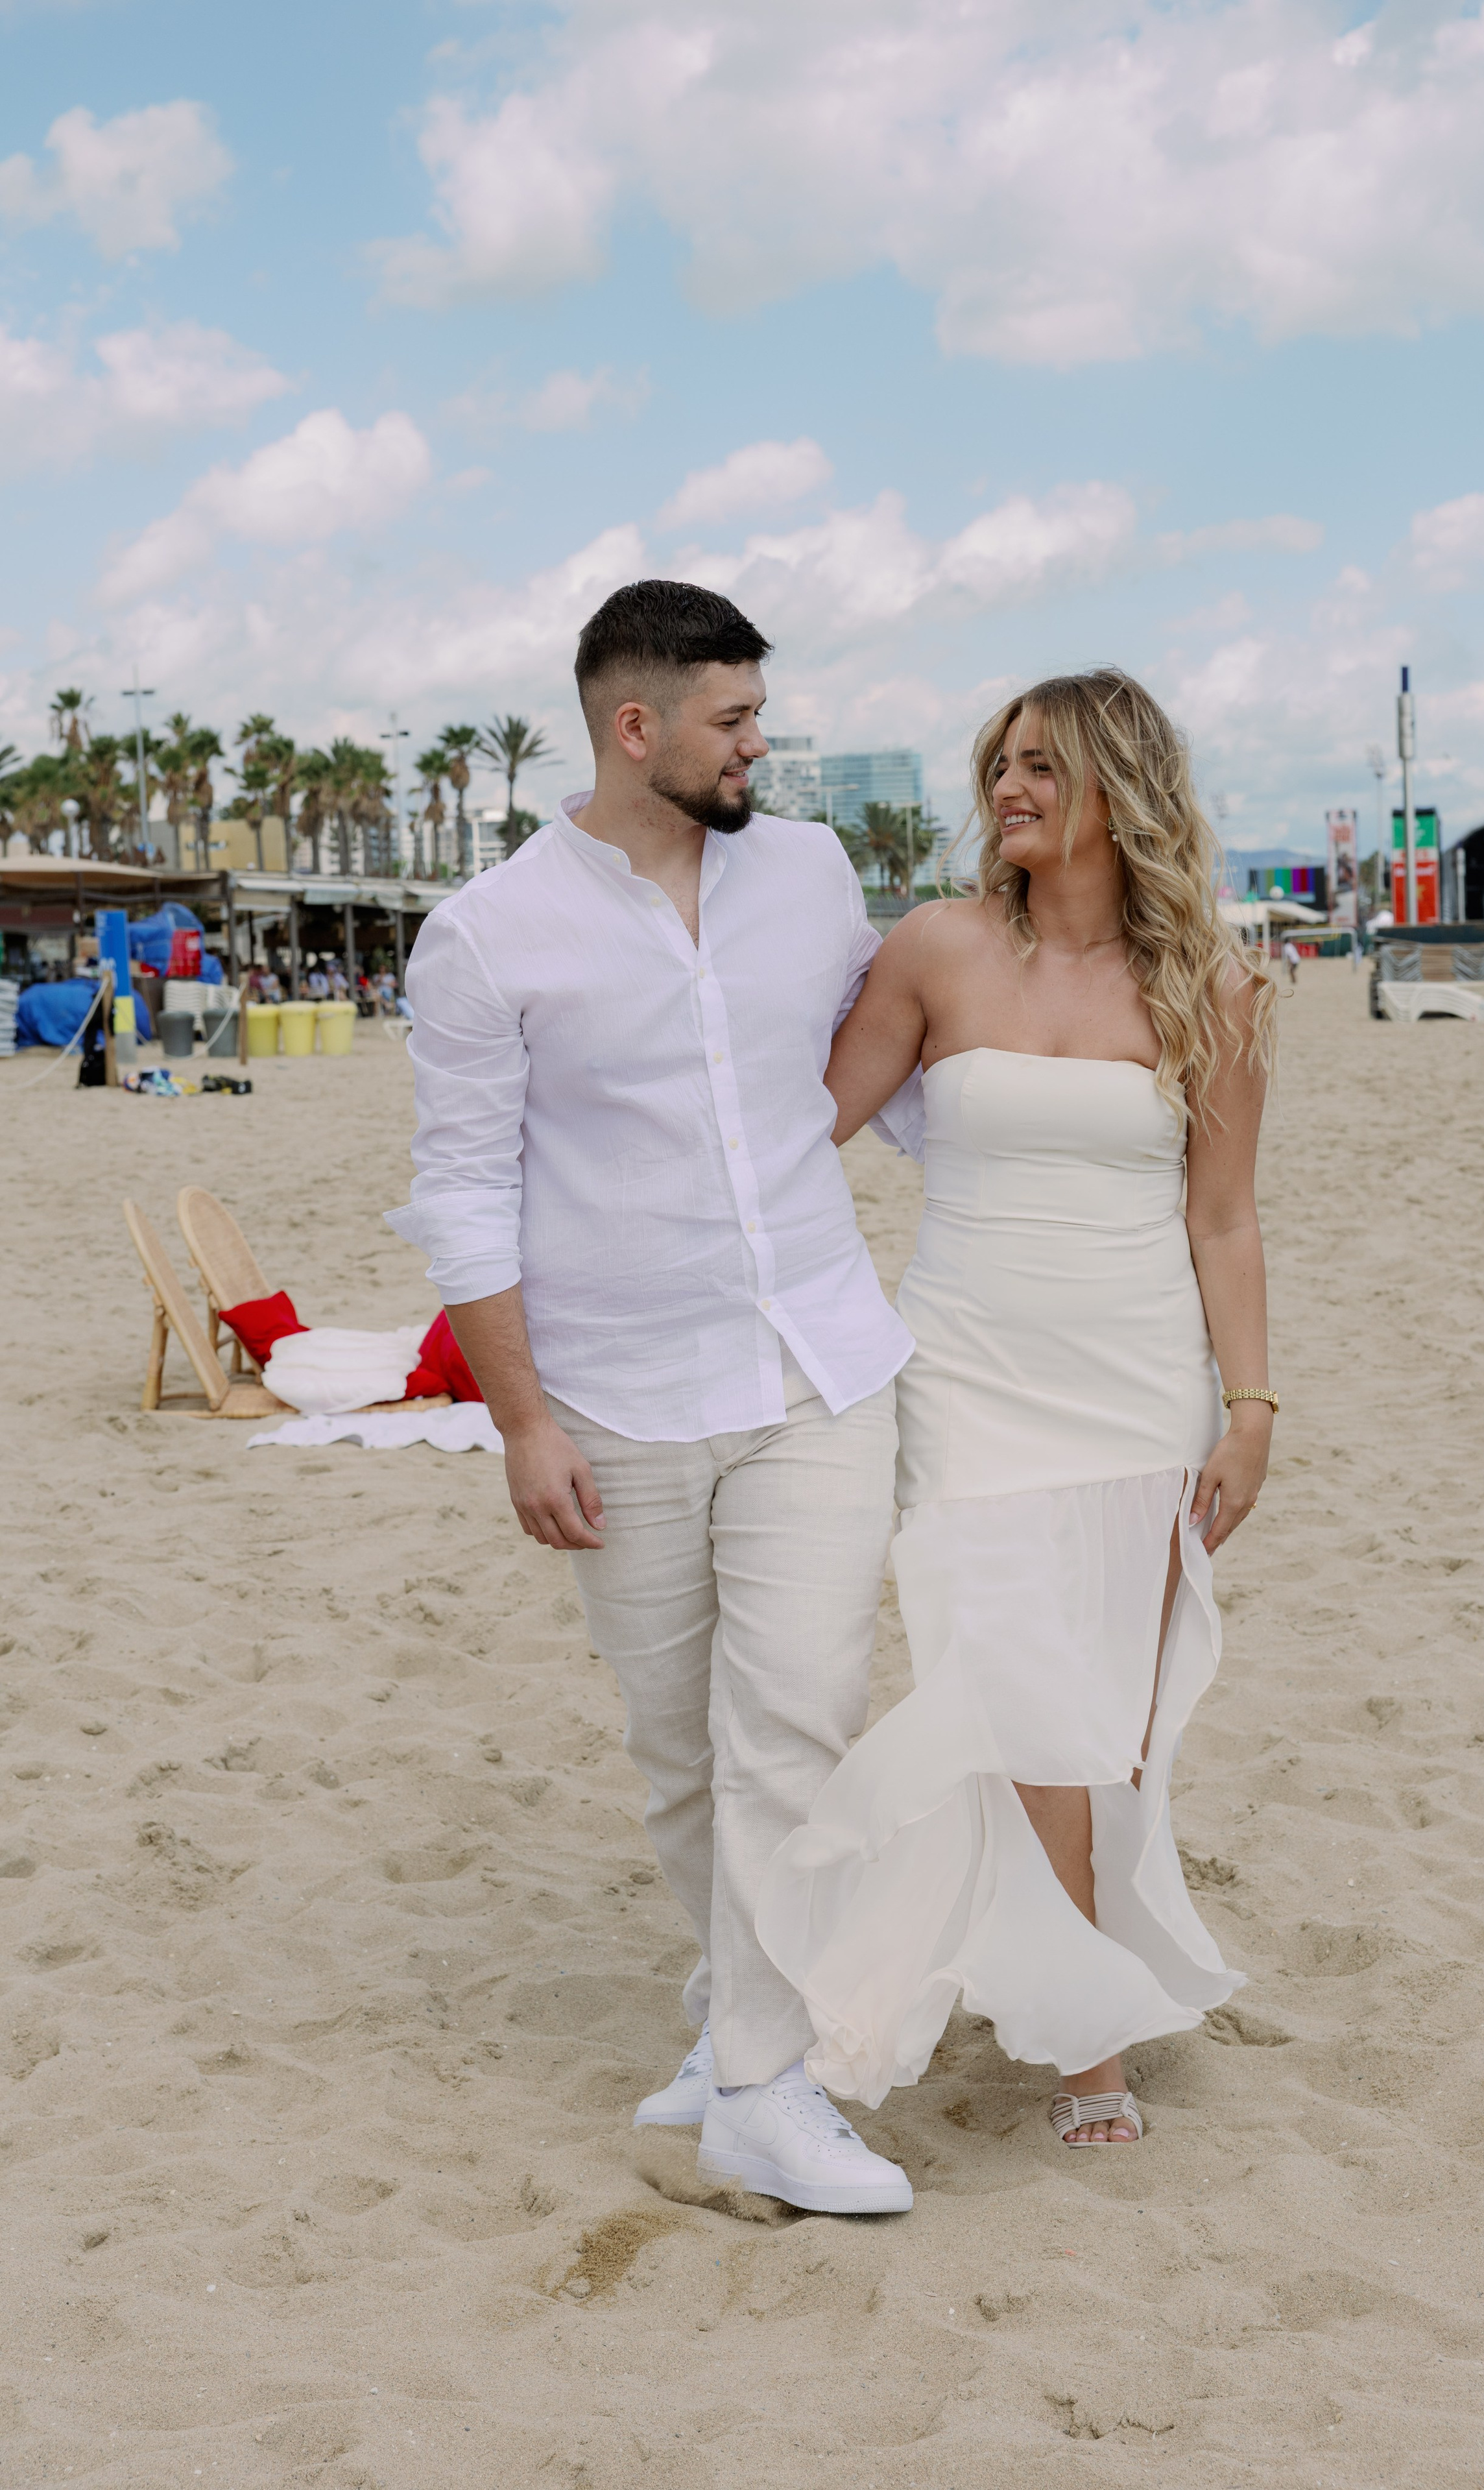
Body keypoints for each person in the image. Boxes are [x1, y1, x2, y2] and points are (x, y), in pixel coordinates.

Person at [387, 581, 916, 2216]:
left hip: (817, 1362)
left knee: (800, 1711)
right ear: (638, 727)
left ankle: (759, 2081)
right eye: (735, 720)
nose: (761, 745)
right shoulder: (487, 934)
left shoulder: (811, 871)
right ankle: (734, 2019)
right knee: (680, 1746)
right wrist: (524, 1421)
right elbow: (463, 1193)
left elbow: (885, 1054)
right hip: (614, 1396)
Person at [758, 668, 1276, 2148]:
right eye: (998, 761)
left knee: (1104, 1724)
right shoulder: (933, 951)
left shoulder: (1215, 987)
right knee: (1017, 1689)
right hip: (967, 1376)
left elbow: (1224, 1220)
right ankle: (1085, 2044)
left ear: (1122, 786)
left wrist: (1248, 1406)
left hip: (1135, 1385)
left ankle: (1075, 1975)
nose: (1008, 786)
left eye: (1041, 763)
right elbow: (800, 1134)